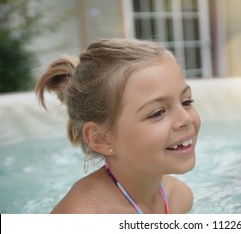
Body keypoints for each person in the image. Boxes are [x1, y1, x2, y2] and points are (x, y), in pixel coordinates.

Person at [35, 38, 201, 214]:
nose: (185, 119)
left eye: (186, 101)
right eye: (157, 112)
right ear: (101, 139)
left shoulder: (179, 198)